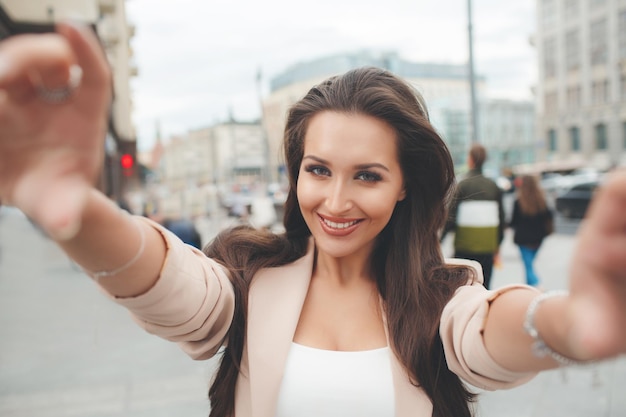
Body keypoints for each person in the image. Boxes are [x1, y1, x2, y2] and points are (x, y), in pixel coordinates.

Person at [0, 24, 625, 417]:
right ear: (295, 171)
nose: (335, 200)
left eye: (368, 176)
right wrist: (77, 211)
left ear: (407, 186)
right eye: (318, 170)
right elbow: (169, 284)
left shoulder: (445, 299)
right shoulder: (249, 277)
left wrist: (568, 323)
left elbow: (491, 335)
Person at [442, 143, 505, 289]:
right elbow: (502, 218)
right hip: (487, 246)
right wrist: (497, 244)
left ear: (470, 160)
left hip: (465, 246)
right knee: (484, 288)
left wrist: (440, 239)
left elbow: (451, 216)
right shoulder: (493, 186)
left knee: (462, 288)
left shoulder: (463, 185)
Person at [509, 175, 554, 287]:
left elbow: (514, 222)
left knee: (528, 265)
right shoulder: (541, 200)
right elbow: (549, 216)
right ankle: (529, 287)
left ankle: (536, 283)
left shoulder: (518, 202)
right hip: (538, 239)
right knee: (529, 265)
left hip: (523, 240)